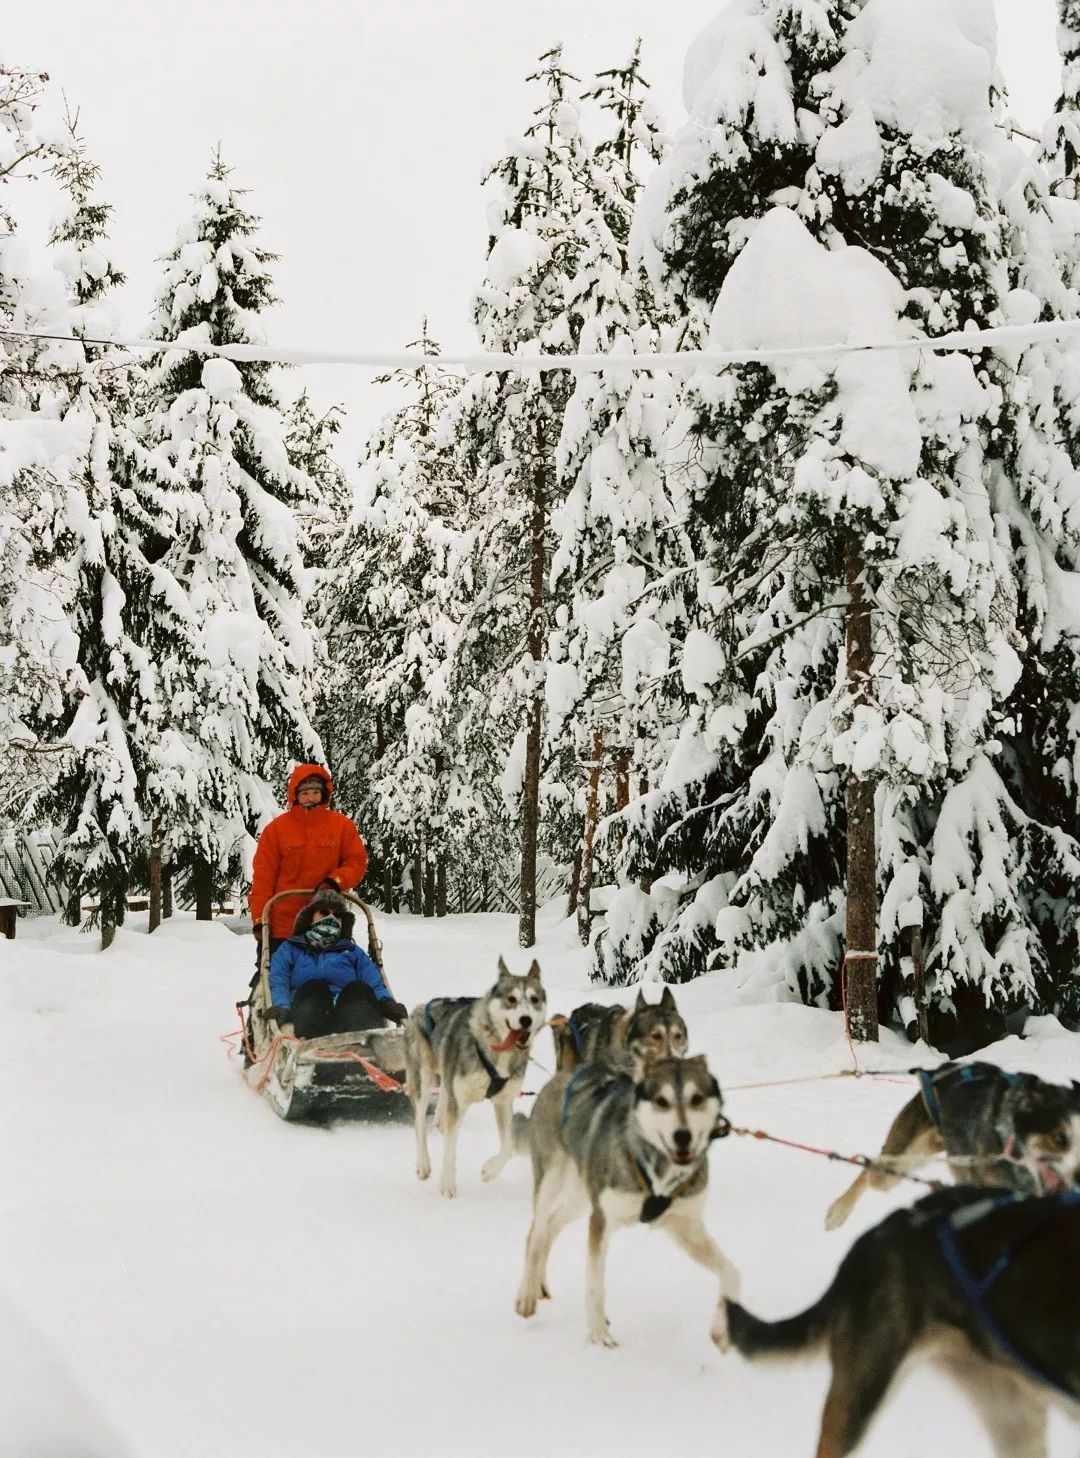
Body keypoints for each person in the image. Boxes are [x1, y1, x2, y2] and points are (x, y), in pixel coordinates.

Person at [249, 763, 368, 962]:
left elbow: (356, 861)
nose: (310, 797)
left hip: (326, 921)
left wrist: (334, 881)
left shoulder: (342, 826)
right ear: (295, 795)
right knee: (272, 982)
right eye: (305, 793)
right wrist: (260, 920)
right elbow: (263, 878)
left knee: (332, 979)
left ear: (324, 794)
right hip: (283, 926)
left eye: (315, 792)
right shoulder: (276, 830)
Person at [266, 890, 408, 1037]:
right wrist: (282, 1006)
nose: (331, 918)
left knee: (359, 989)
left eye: (337, 915)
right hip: (308, 1010)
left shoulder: (353, 952)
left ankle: (362, 1043)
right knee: (314, 987)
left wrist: (386, 1002)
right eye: (324, 912)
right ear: (310, 917)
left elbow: (374, 982)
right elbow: (278, 980)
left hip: (350, 1013)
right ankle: (314, 1043)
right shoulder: (290, 949)